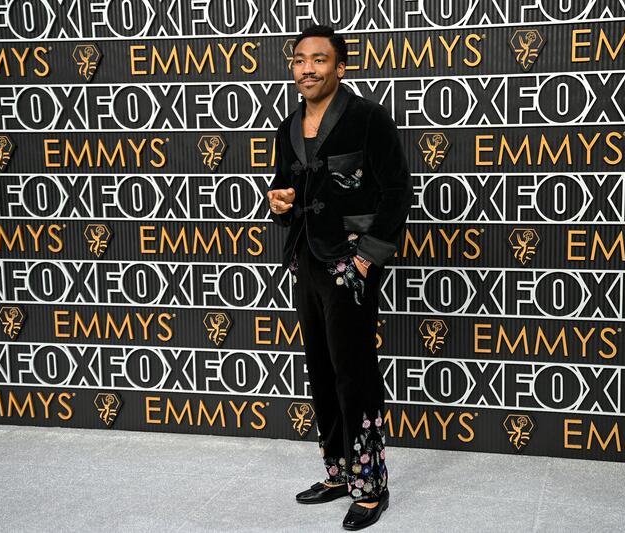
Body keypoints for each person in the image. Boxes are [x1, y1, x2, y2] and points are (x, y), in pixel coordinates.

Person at [266, 24, 412, 531]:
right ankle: (338, 473)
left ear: (340, 67)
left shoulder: (369, 118)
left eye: (319, 60)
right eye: (300, 59)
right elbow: (286, 190)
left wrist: (367, 259)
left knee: (355, 373)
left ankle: (371, 486)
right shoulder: (287, 125)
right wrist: (279, 202)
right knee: (321, 369)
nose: (308, 68)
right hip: (305, 259)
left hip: (351, 266)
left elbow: (397, 191)